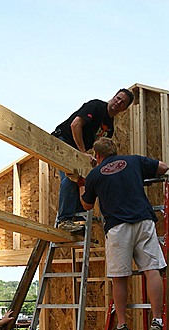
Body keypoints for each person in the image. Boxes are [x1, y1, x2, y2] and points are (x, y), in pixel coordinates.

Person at [78, 137, 169, 330]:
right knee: (152, 270)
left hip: (118, 228)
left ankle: (122, 325)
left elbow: (87, 205)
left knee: (119, 277)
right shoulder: (133, 161)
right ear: (116, 152)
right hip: (143, 221)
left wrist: (81, 186)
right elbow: (163, 167)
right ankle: (157, 320)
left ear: (97, 155)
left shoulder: (94, 174)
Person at [52, 88, 134, 233]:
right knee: (72, 177)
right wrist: (83, 153)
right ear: (113, 96)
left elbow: (99, 147)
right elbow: (75, 125)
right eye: (118, 98)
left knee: (84, 178)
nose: (118, 102)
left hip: (77, 150)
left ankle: (77, 219)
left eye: (122, 102)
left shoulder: (109, 128)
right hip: (62, 141)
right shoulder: (96, 106)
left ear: (124, 109)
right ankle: (64, 220)